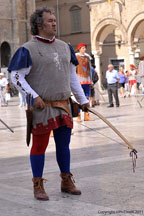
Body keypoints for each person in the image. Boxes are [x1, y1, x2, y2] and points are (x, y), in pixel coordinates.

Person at [8, 7, 89, 201]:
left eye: (54, 20)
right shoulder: (27, 49)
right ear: (39, 25)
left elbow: (72, 77)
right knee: (39, 145)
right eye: (50, 20)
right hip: (42, 106)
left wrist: (83, 100)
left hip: (64, 105)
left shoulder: (65, 47)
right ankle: (38, 184)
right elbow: (16, 76)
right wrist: (33, 96)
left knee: (64, 145)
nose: (54, 23)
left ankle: (66, 181)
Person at [76, 43, 93, 121]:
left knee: (86, 97)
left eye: (85, 48)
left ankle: (86, 115)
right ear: (79, 49)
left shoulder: (87, 57)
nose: (84, 49)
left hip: (87, 80)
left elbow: (89, 69)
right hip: (78, 80)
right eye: (83, 48)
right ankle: (78, 115)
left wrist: (91, 80)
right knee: (78, 98)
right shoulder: (76, 57)